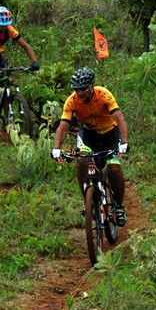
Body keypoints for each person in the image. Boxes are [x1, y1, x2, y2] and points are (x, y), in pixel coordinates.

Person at [50, 67, 129, 225]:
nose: (80, 93)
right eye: (77, 89)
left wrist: (124, 142)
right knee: (82, 161)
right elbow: (63, 126)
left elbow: (119, 117)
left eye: (84, 89)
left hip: (110, 134)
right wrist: (56, 148)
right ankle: (88, 199)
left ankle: (119, 206)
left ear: (91, 86)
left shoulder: (103, 94)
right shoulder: (72, 101)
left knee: (114, 167)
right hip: (88, 135)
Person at [0, 6, 39, 107]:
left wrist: (34, 62)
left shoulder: (10, 29)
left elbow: (25, 46)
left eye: (5, 25)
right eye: (1, 25)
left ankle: (3, 101)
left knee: (7, 75)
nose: (3, 28)